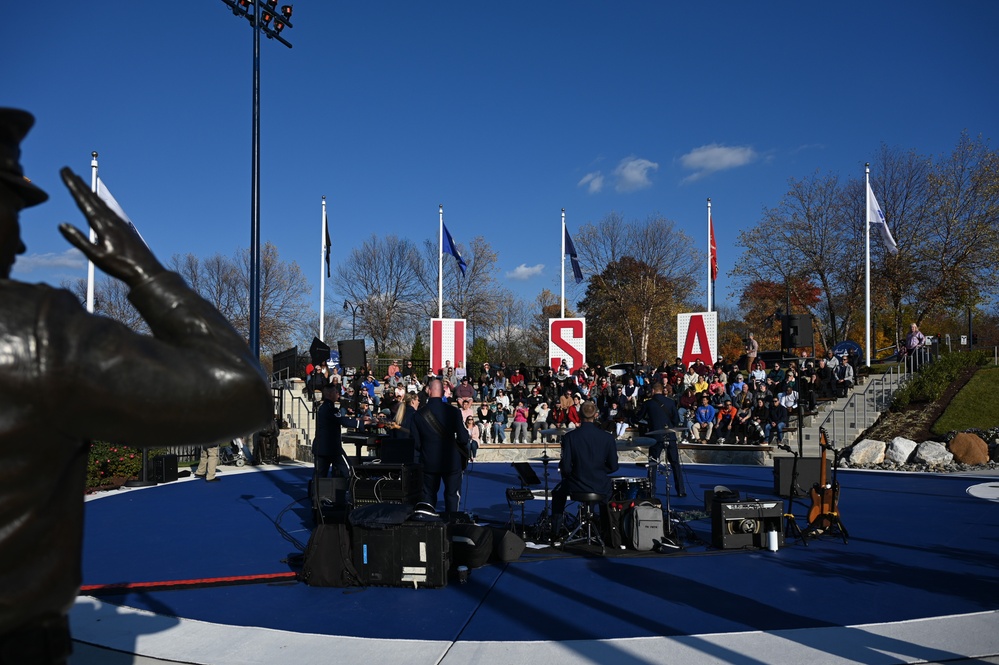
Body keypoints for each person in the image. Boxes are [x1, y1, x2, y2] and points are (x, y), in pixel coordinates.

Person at [0, 109, 271, 663]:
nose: (22, 242)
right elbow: (241, 387)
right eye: (11, 210)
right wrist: (145, 273)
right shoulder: (36, 332)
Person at [550, 401, 619, 541]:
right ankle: (607, 533)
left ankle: (555, 533)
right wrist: (598, 470)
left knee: (557, 493)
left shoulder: (569, 437)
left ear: (580, 415)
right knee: (609, 495)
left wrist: (576, 473)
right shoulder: (607, 437)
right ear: (596, 415)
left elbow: (566, 467)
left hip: (576, 484)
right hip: (600, 484)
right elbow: (613, 467)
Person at [411, 379, 470, 512]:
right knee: (452, 496)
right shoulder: (454, 412)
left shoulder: (419, 414)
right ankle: (452, 524)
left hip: (429, 461)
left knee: (429, 496)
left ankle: (429, 524)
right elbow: (463, 438)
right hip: (451, 461)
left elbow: (416, 443)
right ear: (443, 392)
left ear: (429, 391)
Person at [635, 382, 685, 497]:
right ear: (662, 390)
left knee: (653, 464)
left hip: (655, 437)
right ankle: (681, 490)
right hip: (670, 437)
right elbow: (676, 421)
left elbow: (638, 418)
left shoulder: (648, 403)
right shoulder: (671, 402)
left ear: (653, 390)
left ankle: (651, 490)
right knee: (675, 464)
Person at [314, 383, 366, 478]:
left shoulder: (324, 408)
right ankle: (351, 490)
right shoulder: (330, 409)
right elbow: (341, 420)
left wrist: (360, 420)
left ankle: (316, 493)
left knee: (319, 476)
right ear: (329, 394)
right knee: (348, 470)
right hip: (331, 448)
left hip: (320, 447)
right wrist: (362, 423)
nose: (338, 394)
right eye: (336, 392)